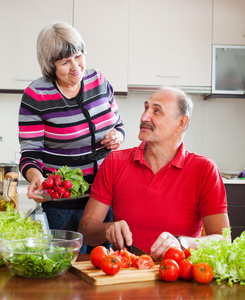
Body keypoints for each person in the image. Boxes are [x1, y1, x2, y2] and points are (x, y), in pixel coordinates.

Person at [79, 87, 230, 261]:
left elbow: (223, 241)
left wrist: (182, 243)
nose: (144, 117)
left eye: (156, 111)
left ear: (181, 123)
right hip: (127, 274)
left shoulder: (204, 169)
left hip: (179, 275)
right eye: (146, 108)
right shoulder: (115, 162)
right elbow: (85, 230)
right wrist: (107, 229)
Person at [18, 22, 125, 252]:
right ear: (50, 66)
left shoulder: (99, 81)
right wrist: (35, 176)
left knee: (107, 262)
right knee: (68, 265)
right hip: (63, 204)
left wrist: (118, 136)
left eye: (78, 56)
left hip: (106, 197)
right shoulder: (36, 95)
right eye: (65, 62)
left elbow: (118, 125)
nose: (76, 67)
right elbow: (30, 151)